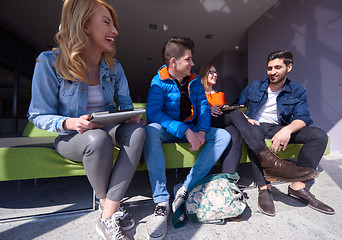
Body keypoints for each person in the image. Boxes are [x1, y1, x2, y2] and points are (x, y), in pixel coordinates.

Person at [28, 0, 146, 239]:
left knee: (138, 133)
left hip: (107, 129)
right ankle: (110, 209)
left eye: (114, 25)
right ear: (84, 25)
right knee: (97, 138)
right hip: (72, 136)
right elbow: (37, 114)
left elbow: (126, 106)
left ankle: (107, 213)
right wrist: (70, 123)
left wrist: (131, 118)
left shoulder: (114, 68)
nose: (115, 30)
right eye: (106, 23)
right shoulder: (49, 62)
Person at [144, 37, 231, 240]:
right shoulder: (158, 81)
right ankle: (161, 201)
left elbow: (203, 108)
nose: (193, 64)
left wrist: (201, 131)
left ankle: (185, 187)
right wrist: (185, 131)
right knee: (150, 130)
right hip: (170, 130)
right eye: (188, 59)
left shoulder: (194, 82)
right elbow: (154, 114)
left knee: (223, 136)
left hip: (192, 128)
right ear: (173, 62)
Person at [236, 50, 335, 216]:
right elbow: (236, 107)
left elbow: (303, 117)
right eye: (269, 68)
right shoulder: (254, 86)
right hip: (256, 125)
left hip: (279, 127)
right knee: (253, 133)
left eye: (277, 67)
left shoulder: (297, 90)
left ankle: (298, 185)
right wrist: (246, 118)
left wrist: (287, 130)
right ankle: (264, 188)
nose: (272, 72)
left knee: (319, 135)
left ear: (289, 67)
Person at [199, 64, 318, 182]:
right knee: (235, 114)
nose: (214, 75)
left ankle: (227, 182)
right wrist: (209, 110)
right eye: (211, 72)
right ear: (204, 74)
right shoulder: (198, 92)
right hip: (206, 121)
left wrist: (244, 118)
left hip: (222, 122)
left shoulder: (221, 94)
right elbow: (193, 112)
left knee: (234, 132)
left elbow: (228, 110)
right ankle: (269, 161)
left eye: (215, 72)